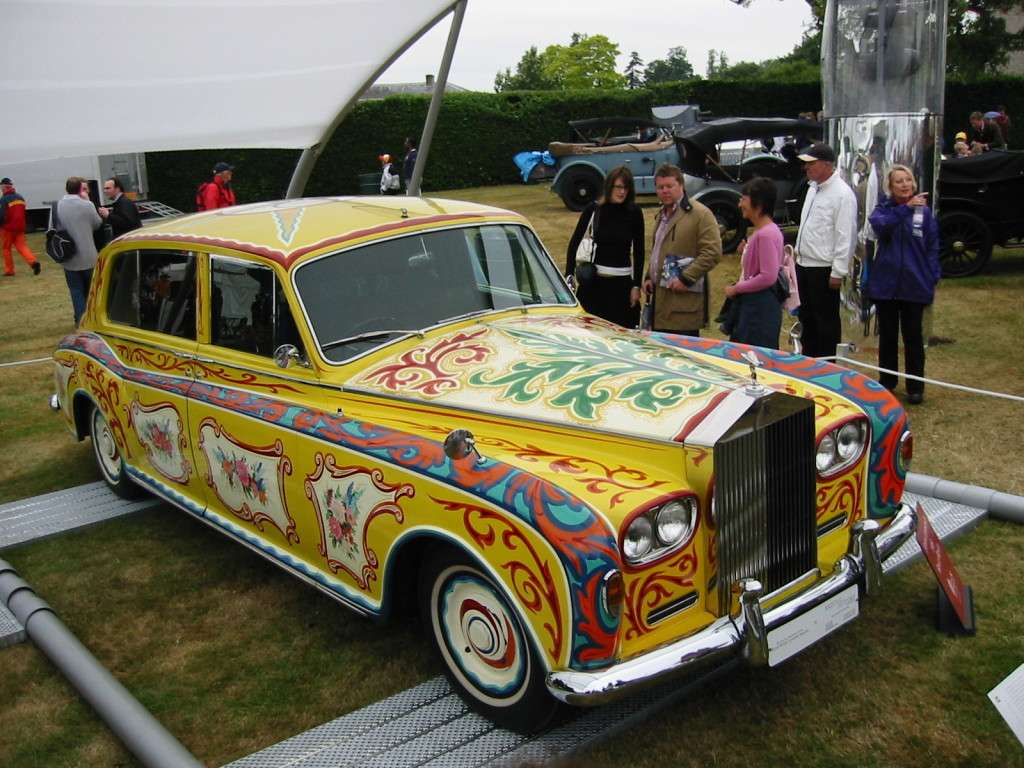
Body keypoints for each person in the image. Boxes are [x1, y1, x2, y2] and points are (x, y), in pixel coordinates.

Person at [866, 165, 941, 405]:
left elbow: (932, 247)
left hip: (914, 284)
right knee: (888, 336)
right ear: (890, 186)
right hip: (886, 285)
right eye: (899, 181)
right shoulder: (883, 210)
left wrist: (931, 277)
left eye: (908, 180)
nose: (905, 184)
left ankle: (915, 386)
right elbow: (881, 227)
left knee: (913, 337)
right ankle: (888, 382)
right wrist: (904, 210)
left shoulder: (925, 214)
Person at [793, 143, 858, 358]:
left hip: (823, 268)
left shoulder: (842, 195)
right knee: (807, 318)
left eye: (811, 163)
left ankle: (827, 363)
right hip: (804, 264)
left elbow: (845, 235)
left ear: (827, 165)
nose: (806, 168)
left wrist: (838, 271)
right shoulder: (812, 189)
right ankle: (809, 360)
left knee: (826, 322)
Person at [642, 163, 722, 336]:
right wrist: (649, 276)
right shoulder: (660, 215)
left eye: (669, 186)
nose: (665, 191)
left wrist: (686, 279)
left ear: (681, 186)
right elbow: (658, 250)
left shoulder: (700, 214)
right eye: (660, 187)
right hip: (660, 303)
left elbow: (712, 253)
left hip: (683, 306)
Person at [565, 166, 645, 328]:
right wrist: (569, 275)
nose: (622, 192)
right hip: (594, 286)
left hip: (622, 287)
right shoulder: (594, 209)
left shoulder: (635, 213)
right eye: (618, 187)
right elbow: (574, 243)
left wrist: (636, 286)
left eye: (626, 187)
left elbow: (639, 250)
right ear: (609, 187)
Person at [723, 177, 785, 348]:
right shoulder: (762, 232)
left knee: (754, 357)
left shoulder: (765, 234)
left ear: (759, 204)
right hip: (754, 306)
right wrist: (746, 251)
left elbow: (768, 276)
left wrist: (737, 288)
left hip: (759, 310)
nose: (740, 204)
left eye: (744, 199)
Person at [55, 177, 103, 326]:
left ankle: (80, 320)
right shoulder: (87, 205)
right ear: (80, 190)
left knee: (76, 290)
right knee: (92, 290)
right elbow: (97, 223)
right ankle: (93, 318)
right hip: (88, 254)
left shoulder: (57, 206)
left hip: (69, 255)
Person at [0, 177, 42, 277]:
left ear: (5, 186)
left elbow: (2, 214)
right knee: (22, 247)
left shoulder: (4, 199)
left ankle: (10, 270)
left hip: (8, 228)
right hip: (20, 228)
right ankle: (33, 262)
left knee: (6, 249)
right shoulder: (20, 197)